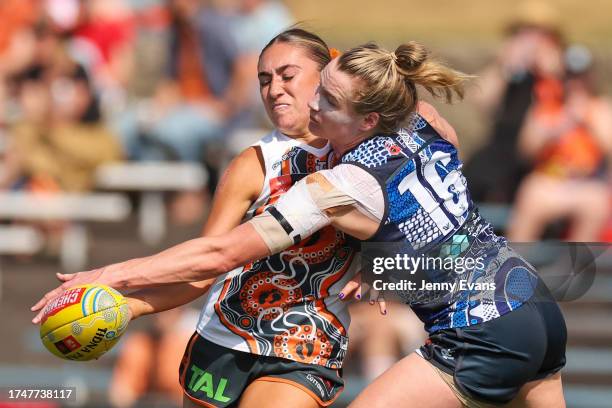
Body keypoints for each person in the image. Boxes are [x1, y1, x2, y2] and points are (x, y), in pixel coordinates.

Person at [32, 41, 567, 407]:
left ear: (367, 119)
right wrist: (384, 259)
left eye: (326, 100)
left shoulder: (337, 186)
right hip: (534, 302)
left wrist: (113, 275)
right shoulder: (415, 119)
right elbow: (437, 173)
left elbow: (219, 256)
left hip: (481, 332)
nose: (311, 103)